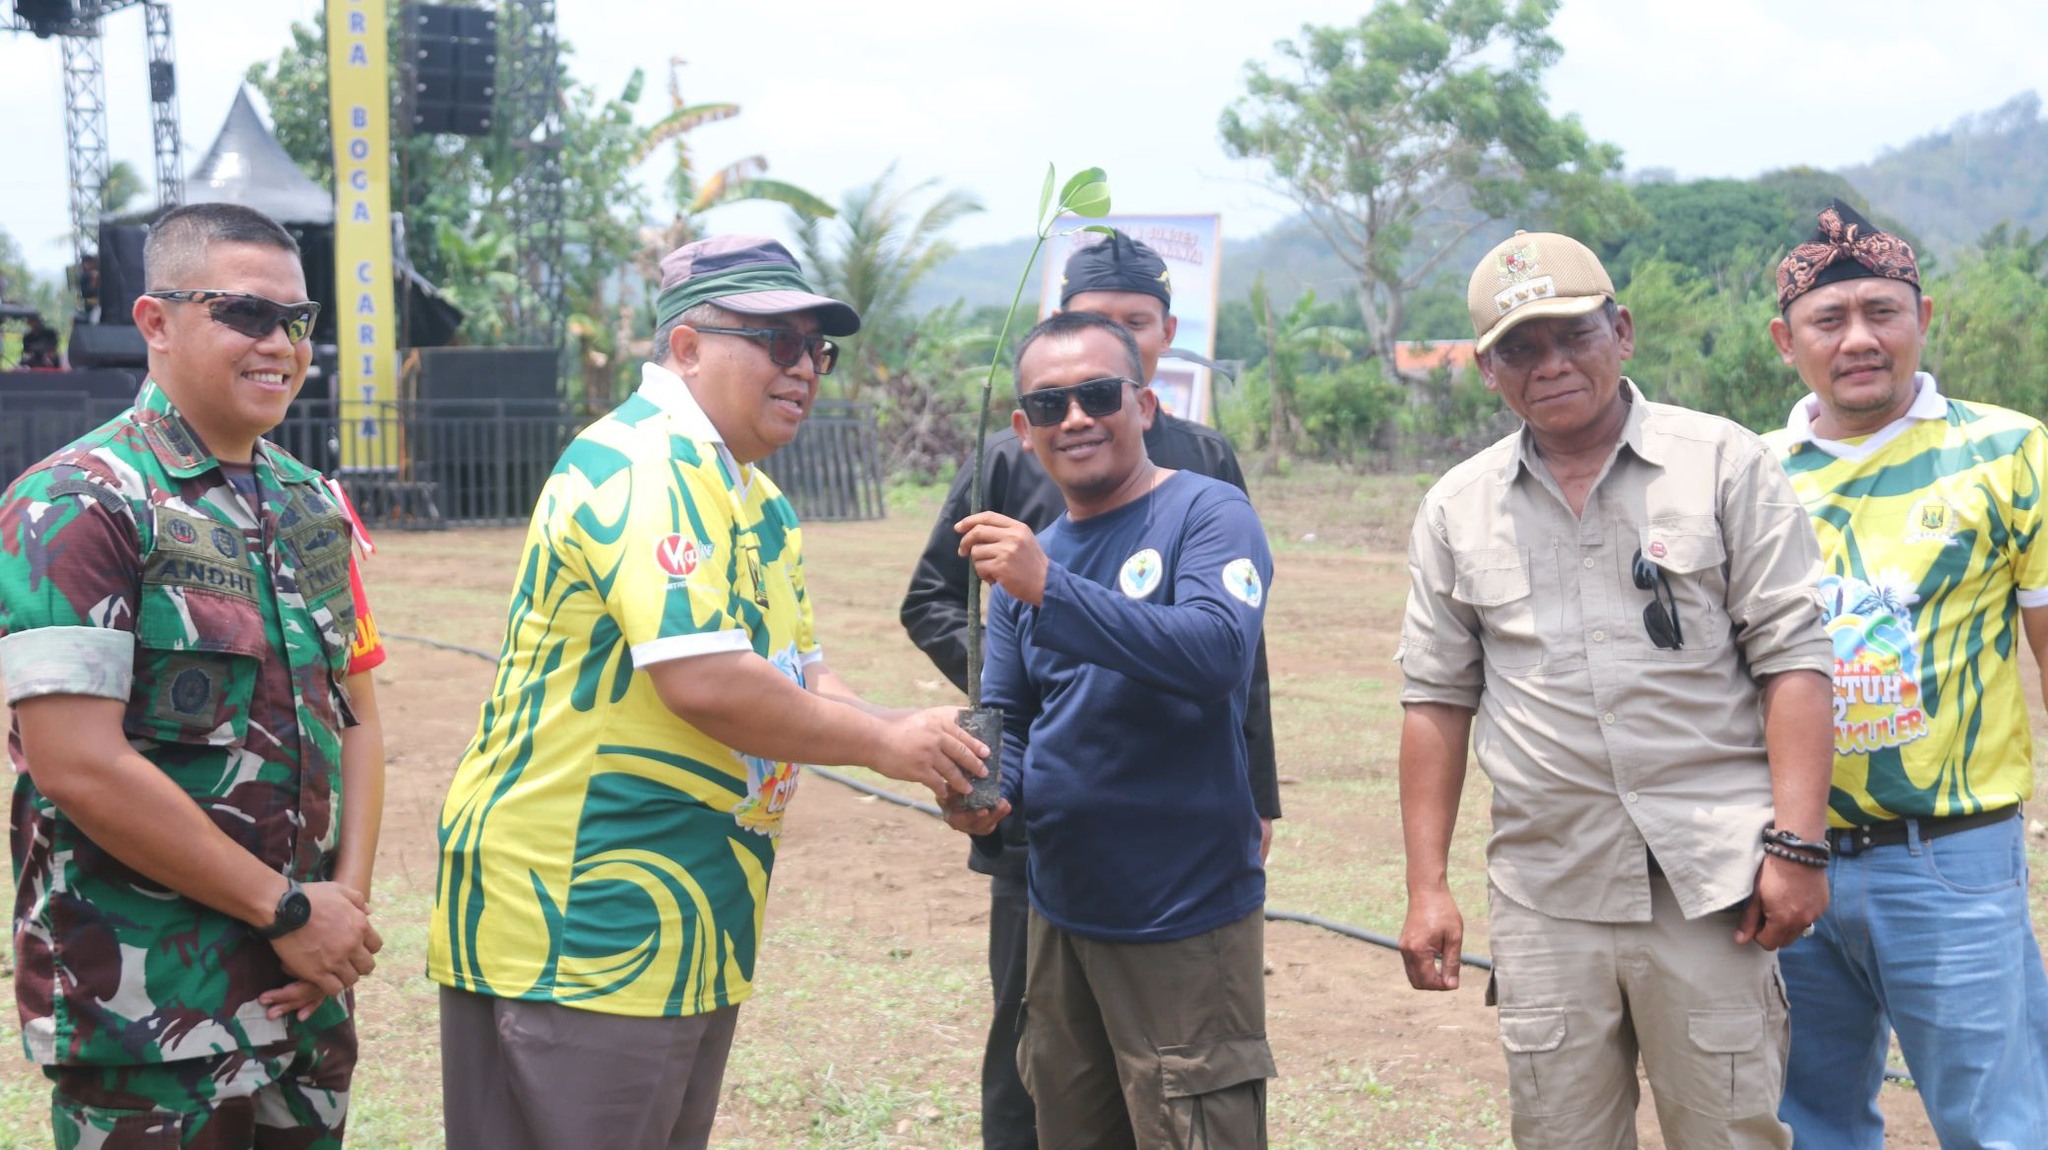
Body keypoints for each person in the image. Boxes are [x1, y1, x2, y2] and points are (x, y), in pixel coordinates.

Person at [427, 234, 990, 1150]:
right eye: (777, 341)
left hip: (683, 907)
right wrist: (889, 746)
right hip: (583, 912)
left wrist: (928, 741)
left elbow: (799, 674)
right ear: (686, 347)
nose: (805, 367)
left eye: (818, 348)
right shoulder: (649, 464)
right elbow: (706, 681)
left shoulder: (754, 497)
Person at [1394, 229, 1837, 1147]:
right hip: (1549, 886)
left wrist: (1797, 847)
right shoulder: (1457, 506)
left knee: (1729, 1132)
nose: (1549, 364)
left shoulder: (1724, 463)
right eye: (1519, 348)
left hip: (1714, 886)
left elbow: (1793, 660)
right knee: (1559, 1134)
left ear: (1622, 330)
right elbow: (1436, 701)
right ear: (1487, 369)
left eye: (1573, 335)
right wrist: (1426, 887)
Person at [0, 201, 386, 1147]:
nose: (281, 344)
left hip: (304, 1000)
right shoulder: (77, 503)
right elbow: (75, 764)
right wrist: (291, 909)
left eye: (299, 321)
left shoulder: (308, 506)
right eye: (245, 314)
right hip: (149, 1013)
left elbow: (361, 719)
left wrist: (343, 914)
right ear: (156, 323)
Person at [900, 231, 1282, 1150]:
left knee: (1193, 1126)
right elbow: (1019, 721)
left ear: (1144, 402)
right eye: (1048, 403)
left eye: (1100, 394)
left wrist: (1049, 589)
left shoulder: (1205, 511)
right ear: (1024, 432)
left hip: (1182, 914)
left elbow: (1220, 653)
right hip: (1057, 908)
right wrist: (985, 791)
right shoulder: (1036, 560)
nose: (1077, 417)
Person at [1761, 200, 2048, 1148]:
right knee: (1808, 1125)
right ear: (1785, 340)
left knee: (1999, 1125)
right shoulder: (1749, 477)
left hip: (1955, 860)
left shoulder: (2010, 454)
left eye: (1883, 312)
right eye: (1829, 321)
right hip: (1786, 860)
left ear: (1927, 318)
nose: (1860, 340)